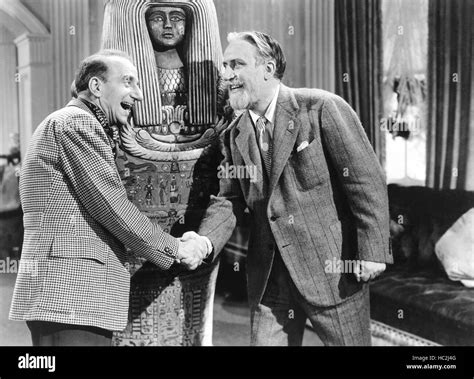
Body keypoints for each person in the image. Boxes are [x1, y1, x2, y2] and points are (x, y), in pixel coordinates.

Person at [196, 31, 393, 346]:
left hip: (332, 272)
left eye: (237, 64)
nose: (227, 74)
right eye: (224, 65)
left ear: (268, 69)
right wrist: (204, 241)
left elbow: (364, 180)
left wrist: (373, 252)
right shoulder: (234, 135)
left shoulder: (320, 107)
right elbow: (229, 202)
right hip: (270, 277)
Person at [9, 50, 208, 346]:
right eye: (128, 82)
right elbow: (112, 206)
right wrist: (177, 249)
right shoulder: (77, 122)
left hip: (69, 300)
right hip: (72, 298)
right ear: (96, 87)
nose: (138, 95)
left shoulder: (71, 122)